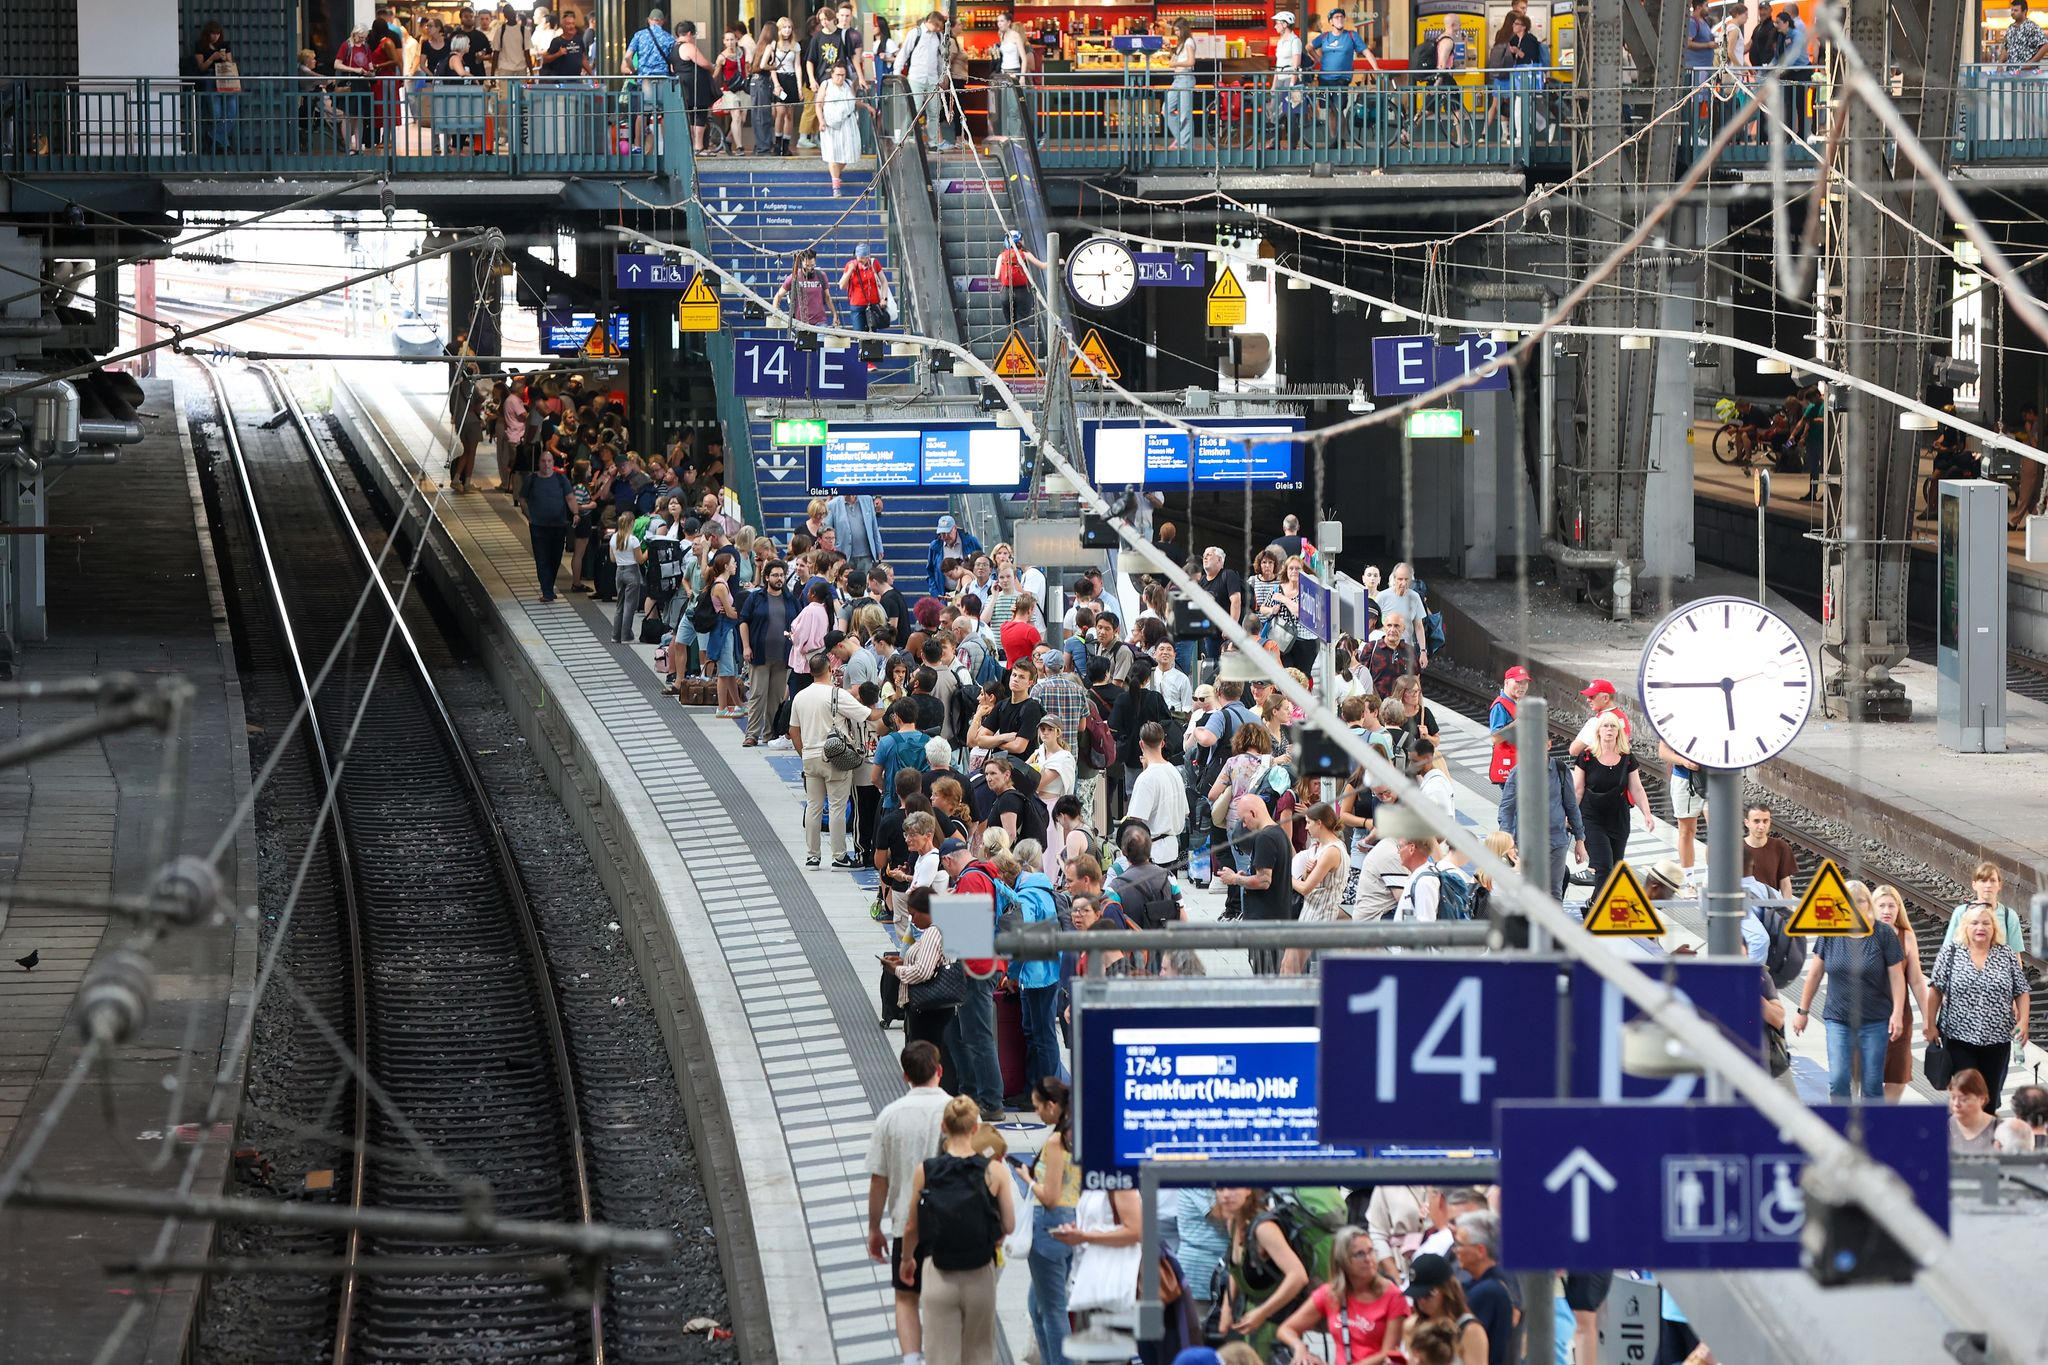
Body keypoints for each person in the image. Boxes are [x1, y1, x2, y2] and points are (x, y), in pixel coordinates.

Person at [899, 1094, 1017, 1365]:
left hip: (938, 1271)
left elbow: (911, 1225)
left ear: (944, 1127)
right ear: (975, 1129)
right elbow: (1009, 1225)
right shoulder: (994, 1172)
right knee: (978, 1353)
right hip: (980, 1272)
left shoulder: (926, 1170)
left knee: (941, 1356)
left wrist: (907, 1260)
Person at [866, 1041, 953, 1364]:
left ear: (905, 1076)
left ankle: (912, 1359)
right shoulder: (956, 1109)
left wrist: (874, 1227)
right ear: (939, 1070)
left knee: (906, 1297)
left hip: (906, 1222)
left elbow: (879, 1178)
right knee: (944, 1300)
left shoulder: (890, 1116)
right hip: (951, 1224)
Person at [1795, 890, 1906, 1100]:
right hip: (1838, 1018)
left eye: (1861, 901)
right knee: (1838, 1079)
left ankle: (1872, 1130)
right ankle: (1840, 1128)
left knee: (1872, 1084)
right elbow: (1815, 973)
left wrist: (1897, 1013)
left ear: (1868, 904)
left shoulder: (1882, 934)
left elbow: (1897, 976)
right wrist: (1802, 1011)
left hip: (1875, 1019)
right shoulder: (1830, 933)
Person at [1925, 903, 2031, 1113]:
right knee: (1967, 1092)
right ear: (1965, 926)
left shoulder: (2006, 954)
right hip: (1958, 1037)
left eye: (1986, 923)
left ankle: (1986, 1138)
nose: (1980, 927)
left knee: (1989, 1097)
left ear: (1994, 927)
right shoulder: (1951, 953)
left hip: (1997, 1039)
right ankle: (1963, 1135)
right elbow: (1935, 990)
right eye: (1974, 923)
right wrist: (1930, 1025)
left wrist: (2024, 1021)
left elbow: (2021, 990)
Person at [1274, 1224, 1409, 1365]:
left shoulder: (1393, 1296)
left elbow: (1388, 1354)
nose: (1369, 1259)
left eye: (1371, 1251)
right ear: (1343, 1260)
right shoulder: (1331, 1293)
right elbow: (1286, 1329)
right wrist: (1300, 1347)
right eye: (1360, 1254)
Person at [790, 649, 872, 868]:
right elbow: (866, 715)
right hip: (835, 757)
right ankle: (839, 856)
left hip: (810, 757)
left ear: (810, 671)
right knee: (837, 806)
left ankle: (812, 855)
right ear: (829, 669)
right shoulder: (837, 694)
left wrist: (803, 753)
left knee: (813, 806)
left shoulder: (800, 696)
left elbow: (793, 730)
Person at [1217, 1187, 1310, 1357]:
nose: (1225, 1195)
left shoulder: (1264, 1228)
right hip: (1249, 1318)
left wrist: (1262, 1312)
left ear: (1249, 1190)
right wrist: (1227, 1309)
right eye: (1220, 1188)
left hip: (1275, 1322)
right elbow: (1235, 1268)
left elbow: (1298, 1276)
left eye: (1232, 1187)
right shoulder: (1233, 1222)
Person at [1026, 1078, 1080, 1365]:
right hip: (1069, 1223)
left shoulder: (1058, 1141)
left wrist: (1026, 1179)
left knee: (1053, 1310)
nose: (1036, 1113)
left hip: (1049, 1227)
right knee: (1037, 1306)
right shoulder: (1076, 1134)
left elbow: (1050, 1196)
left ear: (1052, 1105)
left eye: (1038, 1107)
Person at [1572, 713, 1654, 891]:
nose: (1609, 729)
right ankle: (1598, 906)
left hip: (1618, 818)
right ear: (1598, 731)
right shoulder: (1586, 757)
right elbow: (1578, 790)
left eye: (1613, 726)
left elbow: (1637, 788)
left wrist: (1647, 813)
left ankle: (1598, 903)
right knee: (1603, 865)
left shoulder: (1627, 757)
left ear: (1619, 732)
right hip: (1591, 817)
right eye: (1605, 726)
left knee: (1616, 868)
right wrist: (1568, 816)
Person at [1496, 738, 1586, 899]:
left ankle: (1552, 924)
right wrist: (1507, 841)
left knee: (1554, 892)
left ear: (1549, 745)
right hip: (1527, 843)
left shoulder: (1561, 770)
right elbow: (1506, 809)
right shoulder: (1518, 772)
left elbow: (1571, 806)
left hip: (1556, 842)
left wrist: (1580, 839)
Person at [1216, 791, 1295, 973]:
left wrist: (1235, 879)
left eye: (1244, 819)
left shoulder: (1265, 838)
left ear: (1253, 813)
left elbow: (1264, 880)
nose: (1244, 825)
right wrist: (1245, 876)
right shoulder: (1278, 833)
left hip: (1265, 924)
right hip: (1277, 919)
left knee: (1266, 976)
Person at [1871, 885, 1930, 1102]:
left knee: (1898, 1078)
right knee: (1870, 1077)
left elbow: (1916, 979)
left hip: (1900, 1019)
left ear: (1898, 909)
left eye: (1891, 906)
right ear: (1872, 908)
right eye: (1882, 906)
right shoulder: (1863, 933)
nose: (1887, 911)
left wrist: (1928, 1017)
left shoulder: (1906, 936)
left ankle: (1881, 1118)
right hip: (1870, 1017)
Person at [1450, 1212, 1515, 1365]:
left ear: (1480, 1250)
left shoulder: (1488, 1291)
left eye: (1459, 1245)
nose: (1455, 1250)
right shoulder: (1485, 1284)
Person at [1404, 1252, 1489, 1365]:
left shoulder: (1470, 1330)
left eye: (1428, 1295)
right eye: (1416, 1296)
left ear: (1446, 1290)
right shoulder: (1411, 1326)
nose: (1421, 1302)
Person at [520, 449, 577, 603]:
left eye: (549, 461)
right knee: (542, 558)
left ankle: (549, 587)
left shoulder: (561, 479)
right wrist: (529, 516)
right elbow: (523, 499)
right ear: (539, 463)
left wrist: (576, 513)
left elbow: (570, 498)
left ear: (553, 463)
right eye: (543, 461)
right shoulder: (531, 480)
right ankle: (547, 590)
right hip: (538, 526)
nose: (546, 464)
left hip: (558, 525)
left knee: (555, 557)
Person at [1943, 861, 2028, 954]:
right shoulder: (1961, 912)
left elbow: (2016, 959)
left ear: (1999, 885)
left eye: (1992, 880)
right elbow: (1948, 952)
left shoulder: (2009, 917)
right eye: (1983, 881)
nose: (1988, 885)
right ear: (1974, 884)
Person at [193, 22, 240, 153]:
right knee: (217, 113)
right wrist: (212, 58)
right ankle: (223, 146)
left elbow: (231, 65)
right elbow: (201, 67)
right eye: (213, 33)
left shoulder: (224, 45)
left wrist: (225, 59)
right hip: (210, 78)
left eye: (218, 34)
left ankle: (213, 135)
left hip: (225, 77)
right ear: (208, 34)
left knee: (232, 112)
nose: (216, 36)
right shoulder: (200, 46)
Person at [816, 62, 861, 194]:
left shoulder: (848, 84)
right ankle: (835, 184)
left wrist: (866, 106)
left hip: (848, 122)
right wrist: (821, 121)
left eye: (842, 75)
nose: (840, 78)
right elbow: (818, 105)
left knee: (849, 153)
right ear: (832, 74)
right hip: (830, 124)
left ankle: (836, 175)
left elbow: (853, 100)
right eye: (837, 75)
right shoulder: (826, 84)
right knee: (833, 153)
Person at [1739, 802, 1798, 898]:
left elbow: (1785, 884)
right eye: (1756, 821)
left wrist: (1787, 910)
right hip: (1745, 907)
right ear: (1747, 823)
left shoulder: (1780, 847)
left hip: (1770, 907)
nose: (1761, 826)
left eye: (1765, 821)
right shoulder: (1736, 848)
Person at [772, 247, 839, 330]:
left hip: (820, 323)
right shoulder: (794, 277)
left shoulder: (821, 275)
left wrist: (835, 315)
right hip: (800, 323)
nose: (810, 268)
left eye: (812, 265)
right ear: (801, 263)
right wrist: (775, 313)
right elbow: (777, 296)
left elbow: (828, 298)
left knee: (820, 343)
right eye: (807, 266)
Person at [1485, 666, 1529, 787]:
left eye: (1525, 683)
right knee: (1513, 805)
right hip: (1509, 767)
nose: (1522, 686)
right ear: (1506, 682)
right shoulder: (1500, 706)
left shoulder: (1517, 703)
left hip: (1518, 765)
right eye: (1518, 682)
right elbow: (1495, 738)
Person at [926, 515, 983, 598]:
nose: (945, 536)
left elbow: (983, 561)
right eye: (942, 533)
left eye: (948, 532)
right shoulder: (934, 547)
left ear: (955, 528)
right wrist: (935, 593)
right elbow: (930, 572)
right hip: (944, 594)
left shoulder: (971, 542)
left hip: (968, 593)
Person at [1163, 18, 1198, 150]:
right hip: (1178, 79)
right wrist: (1171, 51)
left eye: (1177, 30)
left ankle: (1185, 145)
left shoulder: (1189, 42)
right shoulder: (1182, 42)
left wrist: (1175, 63)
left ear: (1183, 29)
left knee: (1185, 114)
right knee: (1166, 110)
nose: (1176, 33)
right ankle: (1182, 139)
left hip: (1185, 78)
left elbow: (1190, 62)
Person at [1950, 1068, 1999, 1152]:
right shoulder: (1946, 1126)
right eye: (1953, 1098)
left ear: (1981, 1099)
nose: (1956, 1104)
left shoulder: (2001, 1131)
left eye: (1964, 1099)